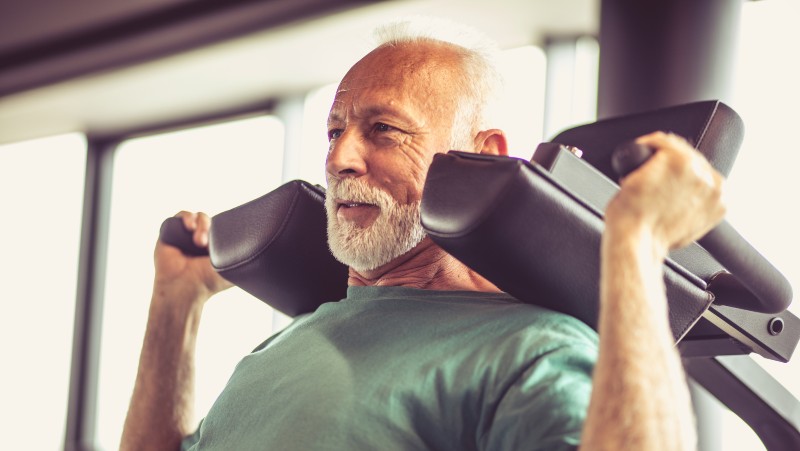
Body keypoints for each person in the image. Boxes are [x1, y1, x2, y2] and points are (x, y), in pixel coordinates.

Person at [121, 18, 725, 451]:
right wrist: (174, 303)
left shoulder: (532, 351)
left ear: (481, 154)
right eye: (334, 132)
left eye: (383, 129)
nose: (340, 160)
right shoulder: (284, 345)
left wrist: (638, 244)